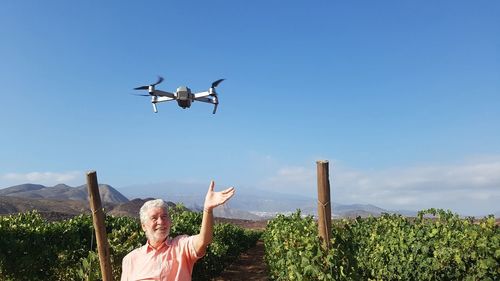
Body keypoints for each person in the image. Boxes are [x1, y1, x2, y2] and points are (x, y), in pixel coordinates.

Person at [120, 180, 235, 281]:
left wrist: (207, 209)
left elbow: (204, 240)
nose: (160, 221)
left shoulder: (180, 246)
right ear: (143, 226)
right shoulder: (130, 260)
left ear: (170, 221)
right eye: (154, 218)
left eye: (164, 217)